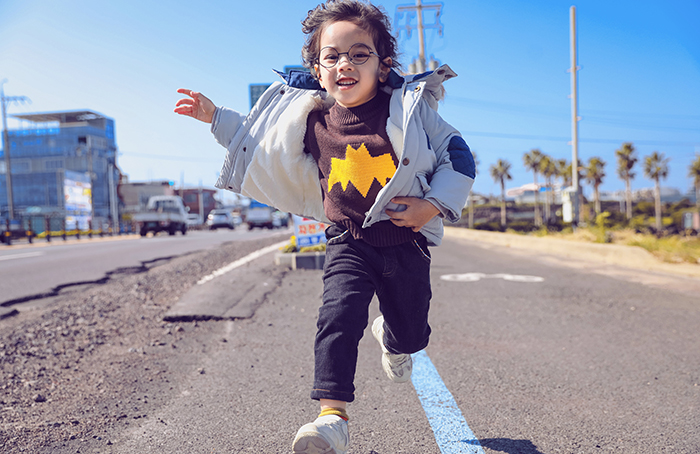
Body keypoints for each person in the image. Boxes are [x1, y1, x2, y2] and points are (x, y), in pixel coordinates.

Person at [174, 1, 475, 452]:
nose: (344, 64)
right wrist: (215, 117)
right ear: (317, 70)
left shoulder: (410, 110)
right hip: (348, 240)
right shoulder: (310, 119)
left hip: (405, 241)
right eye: (331, 56)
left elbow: (460, 156)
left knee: (412, 333)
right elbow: (257, 140)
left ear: (383, 63)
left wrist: (431, 207)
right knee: (336, 317)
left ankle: (393, 338)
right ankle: (331, 417)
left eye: (359, 53)